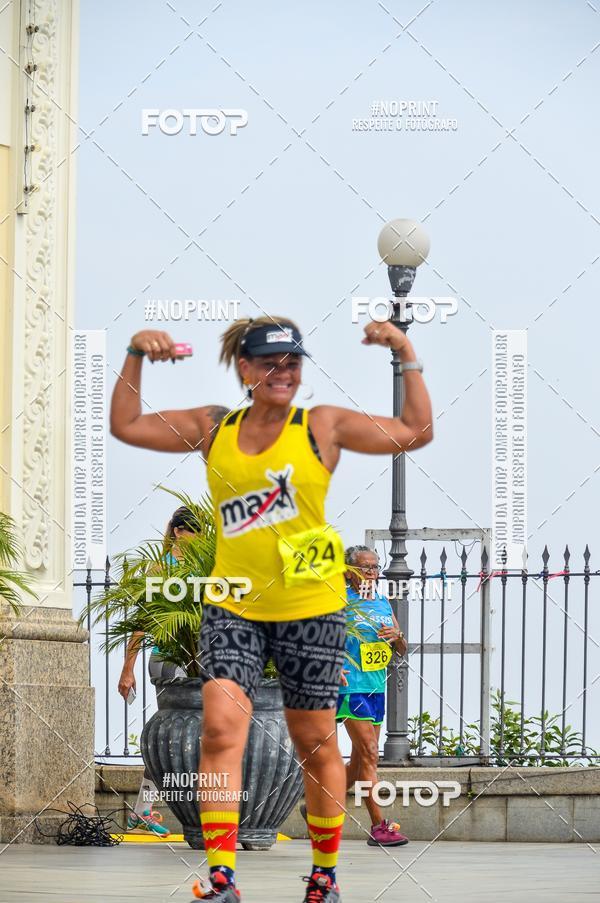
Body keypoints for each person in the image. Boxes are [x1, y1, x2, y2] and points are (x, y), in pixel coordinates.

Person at [109, 316, 433, 902]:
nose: (282, 373)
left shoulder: (322, 426)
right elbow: (126, 424)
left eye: (292, 363)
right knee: (218, 729)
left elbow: (415, 429)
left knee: (313, 741)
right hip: (234, 607)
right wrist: (134, 354)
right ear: (245, 368)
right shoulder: (215, 427)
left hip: (309, 609)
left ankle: (324, 876)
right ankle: (222, 878)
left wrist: (406, 349)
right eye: (268, 362)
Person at [117, 505, 201, 837]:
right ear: (179, 531)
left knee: (202, 737)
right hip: (169, 659)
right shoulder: (160, 569)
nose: (201, 536)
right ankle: (143, 809)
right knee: (172, 739)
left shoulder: (205, 567)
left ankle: (143, 810)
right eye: (194, 529)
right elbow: (141, 622)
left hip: (200, 660)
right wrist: (127, 668)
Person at [336, 545, 409, 847]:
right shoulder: (339, 602)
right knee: (369, 752)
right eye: (364, 568)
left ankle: (319, 807)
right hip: (350, 687)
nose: (371, 573)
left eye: (374, 567)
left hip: (376, 686)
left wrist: (398, 637)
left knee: (359, 762)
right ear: (348, 572)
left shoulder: (382, 601)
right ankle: (379, 826)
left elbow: (402, 650)